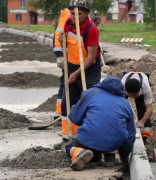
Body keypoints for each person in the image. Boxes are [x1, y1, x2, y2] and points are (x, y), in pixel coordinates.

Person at [53, 0, 101, 150]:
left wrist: (76, 73)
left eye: (78, 14)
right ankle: (68, 138)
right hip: (72, 65)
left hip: (89, 68)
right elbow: (67, 46)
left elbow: (90, 57)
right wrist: (62, 43)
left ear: (86, 14)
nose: (75, 16)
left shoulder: (91, 29)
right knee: (67, 103)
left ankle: (89, 140)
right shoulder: (68, 23)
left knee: (89, 102)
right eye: (72, 13)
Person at [65, 77, 136, 171]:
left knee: (69, 146)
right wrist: (123, 156)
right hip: (114, 143)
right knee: (113, 131)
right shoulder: (125, 103)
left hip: (90, 137)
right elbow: (130, 134)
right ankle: (109, 157)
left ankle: (80, 152)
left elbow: (75, 118)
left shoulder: (90, 93)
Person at [121, 72, 153, 144]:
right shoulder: (121, 86)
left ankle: (144, 137)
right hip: (126, 85)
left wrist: (142, 121)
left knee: (142, 108)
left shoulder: (145, 88)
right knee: (121, 107)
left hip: (142, 82)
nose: (132, 97)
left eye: (134, 95)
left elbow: (149, 109)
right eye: (130, 95)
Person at [53, 8, 71, 125]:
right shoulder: (72, 15)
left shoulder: (66, 12)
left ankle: (60, 114)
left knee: (65, 83)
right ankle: (61, 114)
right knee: (67, 84)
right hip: (66, 54)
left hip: (62, 52)